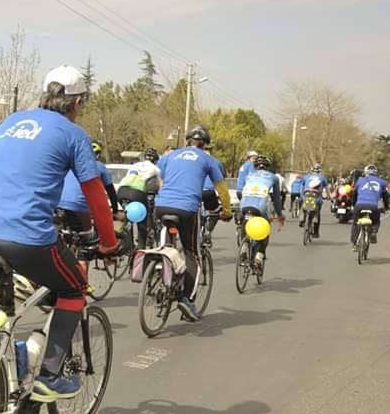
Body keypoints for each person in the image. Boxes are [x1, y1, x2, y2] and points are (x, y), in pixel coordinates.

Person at [0, 65, 118, 402]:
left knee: (3, 311)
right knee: (74, 287)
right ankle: (48, 374)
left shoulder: (9, 123)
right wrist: (109, 243)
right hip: (27, 236)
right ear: (77, 103)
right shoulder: (73, 134)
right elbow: (97, 200)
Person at [154, 125, 233, 321]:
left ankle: (160, 271)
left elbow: (160, 178)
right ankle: (186, 299)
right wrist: (226, 211)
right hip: (187, 209)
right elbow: (222, 189)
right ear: (206, 144)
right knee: (193, 254)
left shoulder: (170, 155)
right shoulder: (208, 159)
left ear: (187, 141)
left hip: (162, 205)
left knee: (166, 242)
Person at [237, 155, 284, 268]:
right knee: (265, 229)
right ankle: (259, 255)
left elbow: (241, 190)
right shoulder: (273, 177)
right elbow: (277, 199)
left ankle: (244, 247)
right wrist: (280, 215)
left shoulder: (249, 175)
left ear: (255, 166)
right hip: (260, 205)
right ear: (267, 167)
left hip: (244, 204)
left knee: (245, 222)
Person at [115, 147, 161, 248]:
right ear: (156, 160)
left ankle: (128, 245)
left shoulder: (135, 165)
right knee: (142, 220)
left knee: (128, 216)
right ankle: (141, 247)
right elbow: (159, 184)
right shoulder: (155, 169)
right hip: (137, 192)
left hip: (121, 191)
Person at [351, 164, 390, 247]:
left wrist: (353, 205)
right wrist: (386, 207)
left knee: (355, 223)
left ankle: (354, 242)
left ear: (365, 172)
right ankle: (373, 232)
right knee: (376, 221)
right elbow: (385, 197)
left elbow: (354, 194)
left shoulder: (360, 180)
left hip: (359, 205)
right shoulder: (382, 182)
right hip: (373, 207)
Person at [298, 164, 329, 237]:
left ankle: (302, 218)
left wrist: (302, 196)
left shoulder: (306, 177)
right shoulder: (323, 178)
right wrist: (329, 197)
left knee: (303, 207)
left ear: (312, 170)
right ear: (320, 171)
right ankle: (315, 232)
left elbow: (301, 189)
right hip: (317, 198)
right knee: (317, 212)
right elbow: (327, 190)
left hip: (306, 196)